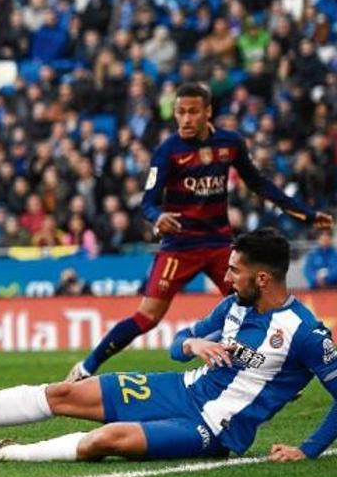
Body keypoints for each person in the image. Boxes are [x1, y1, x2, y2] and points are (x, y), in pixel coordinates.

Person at [0, 229, 337, 463]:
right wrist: (193, 347)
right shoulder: (232, 306)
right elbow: (176, 343)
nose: (227, 277)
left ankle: (0, 453)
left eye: (236, 271)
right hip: (180, 388)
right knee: (64, 393)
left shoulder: (304, 333)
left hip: (214, 428)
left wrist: (309, 449)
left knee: (105, 440)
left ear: (263, 279)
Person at [66, 83, 334, 382]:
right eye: (180, 112)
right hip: (179, 246)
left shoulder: (230, 143)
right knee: (148, 316)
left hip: (220, 244)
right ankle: (87, 367)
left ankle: (280, 368)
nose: (185, 118)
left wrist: (306, 213)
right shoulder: (168, 150)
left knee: (253, 304)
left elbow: (259, 184)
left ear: (208, 112)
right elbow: (147, 202)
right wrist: (158, 217)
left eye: (193, 112)